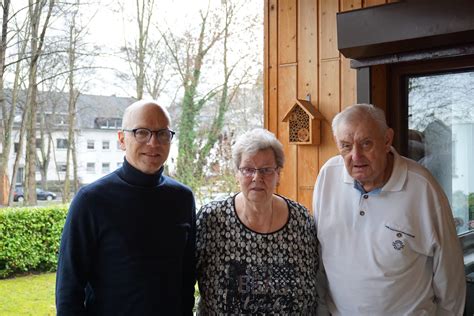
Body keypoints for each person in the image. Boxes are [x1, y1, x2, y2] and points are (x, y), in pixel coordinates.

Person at [312, 103, 466, 315]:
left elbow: (451, 276)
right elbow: (321, 255)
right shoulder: (328, 176)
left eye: (366, 144)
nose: (356, 156)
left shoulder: (423, 188)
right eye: (346, 146)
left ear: (386, 140)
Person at [56, 100, 196, 315]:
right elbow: (68, 291)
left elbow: (186, 279)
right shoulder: (91, 201)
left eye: (162, 134)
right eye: (142, 132)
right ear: (122, 139)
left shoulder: (182, 198)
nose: (153, 143)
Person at [196, 128, 323, 315]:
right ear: (237, 173)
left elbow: (316, 280)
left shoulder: (300, 220)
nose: (257, 178)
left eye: (266, 170)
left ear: (278, 174)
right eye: (248, 170)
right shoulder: (212, 219)